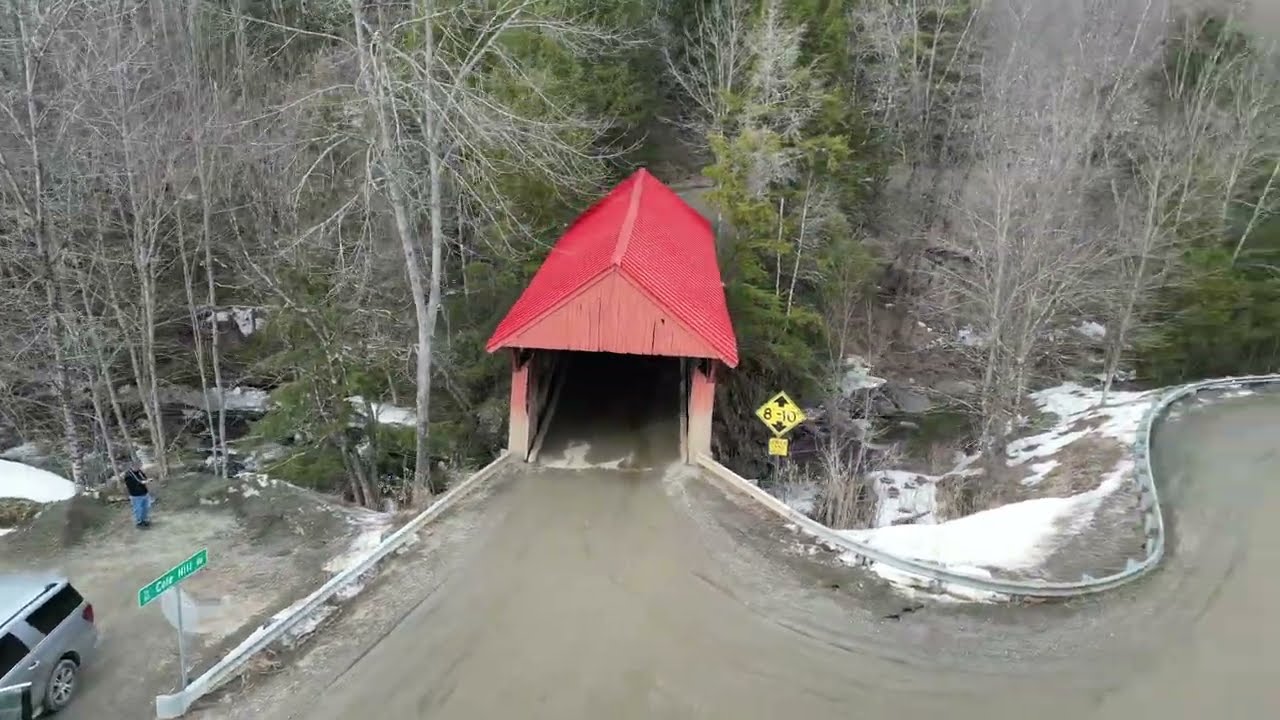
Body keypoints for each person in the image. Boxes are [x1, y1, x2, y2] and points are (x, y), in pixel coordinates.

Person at [122, 461, 152, 528]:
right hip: (136, 495)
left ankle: (144, 520)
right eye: (137, 466)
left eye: (139, 466)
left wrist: (147, 480)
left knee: (146, 508)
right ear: (133, 466)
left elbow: (144, 477)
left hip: (144, 493)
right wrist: (141, 483)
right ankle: (139, 523)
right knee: (138, 509)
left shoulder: (139, 472)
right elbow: (131, 485)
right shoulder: (128, 475)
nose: (139, 468)